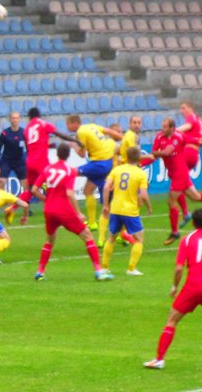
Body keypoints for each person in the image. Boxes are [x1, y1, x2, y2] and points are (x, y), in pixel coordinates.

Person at [144, 208, 202, 371]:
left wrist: (175, 286)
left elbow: (179, 268)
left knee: (172, 320)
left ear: (193, 223)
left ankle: (159, 359)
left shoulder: (187, 240)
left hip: (193, 286)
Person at [30, 142, 113, 282]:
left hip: (49, 210)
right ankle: (99, 271)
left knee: (50, 240)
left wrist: (46, 200)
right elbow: (69, 193)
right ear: (68, 155)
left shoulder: (48, 169)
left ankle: (40, 272)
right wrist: (78, 212)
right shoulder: (69, 171)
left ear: (57, 154)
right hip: (63, 209)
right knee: (88, 236)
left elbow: (34, 190)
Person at [151, 117, 202, 246]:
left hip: (180, 172)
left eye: (165, 127)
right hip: (175, 172)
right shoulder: (159, 137)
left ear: (172, 128)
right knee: (196, 197)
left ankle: (175, 232)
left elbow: (197, 140)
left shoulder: (179, 137)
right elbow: (154, 152)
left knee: (171, 201)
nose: (162, 129)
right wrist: (163, 152)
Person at [5, 107, 74, 226]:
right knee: (55, 183)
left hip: (30, 161)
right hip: (41, 162)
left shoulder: (27, 129)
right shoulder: (43, 123)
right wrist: (75, 141)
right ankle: (58, 209)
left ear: (29, 117)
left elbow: (32, 145)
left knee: (31, 190)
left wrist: (47, 145)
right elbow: (59, 134)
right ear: (39, 115)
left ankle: (12, 208)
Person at [66, 114, 124, 246]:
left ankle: (116, 231)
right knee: (88, 190)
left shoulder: (81, 132)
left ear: (74, 123)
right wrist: (123, 138)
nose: (67, 127)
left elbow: (82, 154)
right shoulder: (91, 126)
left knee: (70, 172)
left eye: (68, 124)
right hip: (105, 162)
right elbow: (108, 131)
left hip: (99, 163)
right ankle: (94, 224)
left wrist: (73, 146)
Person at [101, 146, 153, 276]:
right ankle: (131, 268)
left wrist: (106, 205)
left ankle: (104, 268)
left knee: (111, 238)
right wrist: (149, 207)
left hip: (115, 209)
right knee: (139, 240)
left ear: (126, 157)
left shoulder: (117, 169)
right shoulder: (140, 174)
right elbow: (144, 194)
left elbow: (106, 187)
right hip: (130, 211)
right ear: (139, 158)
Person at [172, 101, 202, 226]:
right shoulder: (198, 120)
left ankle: (186, 212)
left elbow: (186, 127)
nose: (182, 111)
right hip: (193, 154)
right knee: (179, 183)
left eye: (184, 108)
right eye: (181, 108)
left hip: (188, 153)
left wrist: (172, 131)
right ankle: (186, 212)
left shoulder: (191, 118)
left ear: (190, 108)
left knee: (176, 184)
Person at [0, 111, 27, 190]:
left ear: (19, 119)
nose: (15, 120)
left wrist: (29, 162)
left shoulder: (23, 133)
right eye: (13, 118)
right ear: (10, 119)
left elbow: (29, 149)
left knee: (26, 185)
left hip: (19, 162)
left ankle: (26, 198)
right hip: (6, 161)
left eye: (16, 118)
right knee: (0, 185)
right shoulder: (4, 133)